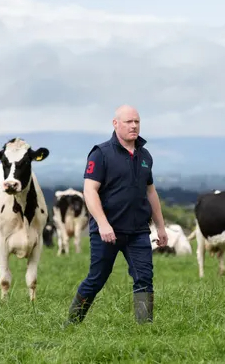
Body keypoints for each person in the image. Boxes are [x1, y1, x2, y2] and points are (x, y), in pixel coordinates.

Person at [63, 104, 169, 326]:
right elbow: (89, 190)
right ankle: (72, 323)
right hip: (106, 231)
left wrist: (160, 227)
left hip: (138, 230)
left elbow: (150, 191)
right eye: (129, 121)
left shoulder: (145, 155)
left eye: (137, 121)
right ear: (115, 124)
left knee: (144, 279)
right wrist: (102, 223)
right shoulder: (100, 153)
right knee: (97, 279)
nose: (134, 126)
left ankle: (144, 329)